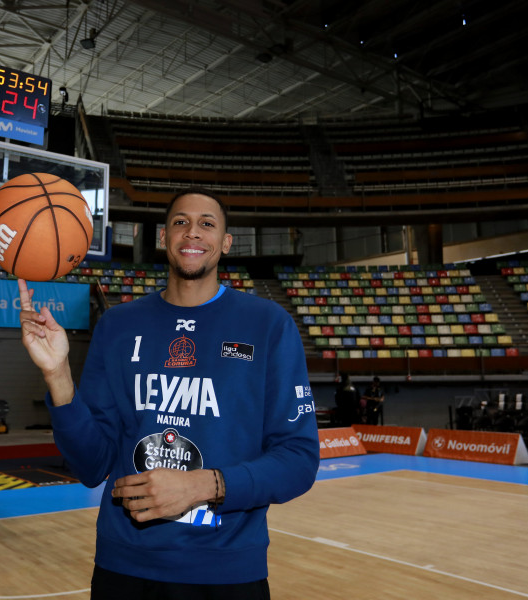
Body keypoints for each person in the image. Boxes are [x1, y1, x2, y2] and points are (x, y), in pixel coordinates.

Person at [18, 187, 320, 599]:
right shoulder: (119, 326)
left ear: (226, 243)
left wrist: (206, 485)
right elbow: (92, 465)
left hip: (227, 571)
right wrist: (57, 376)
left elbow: (299, 460)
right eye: (180, 222)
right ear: (164, 238)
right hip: (124, 565)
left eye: (207, 224)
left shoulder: (268, 325)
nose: (192, 233)